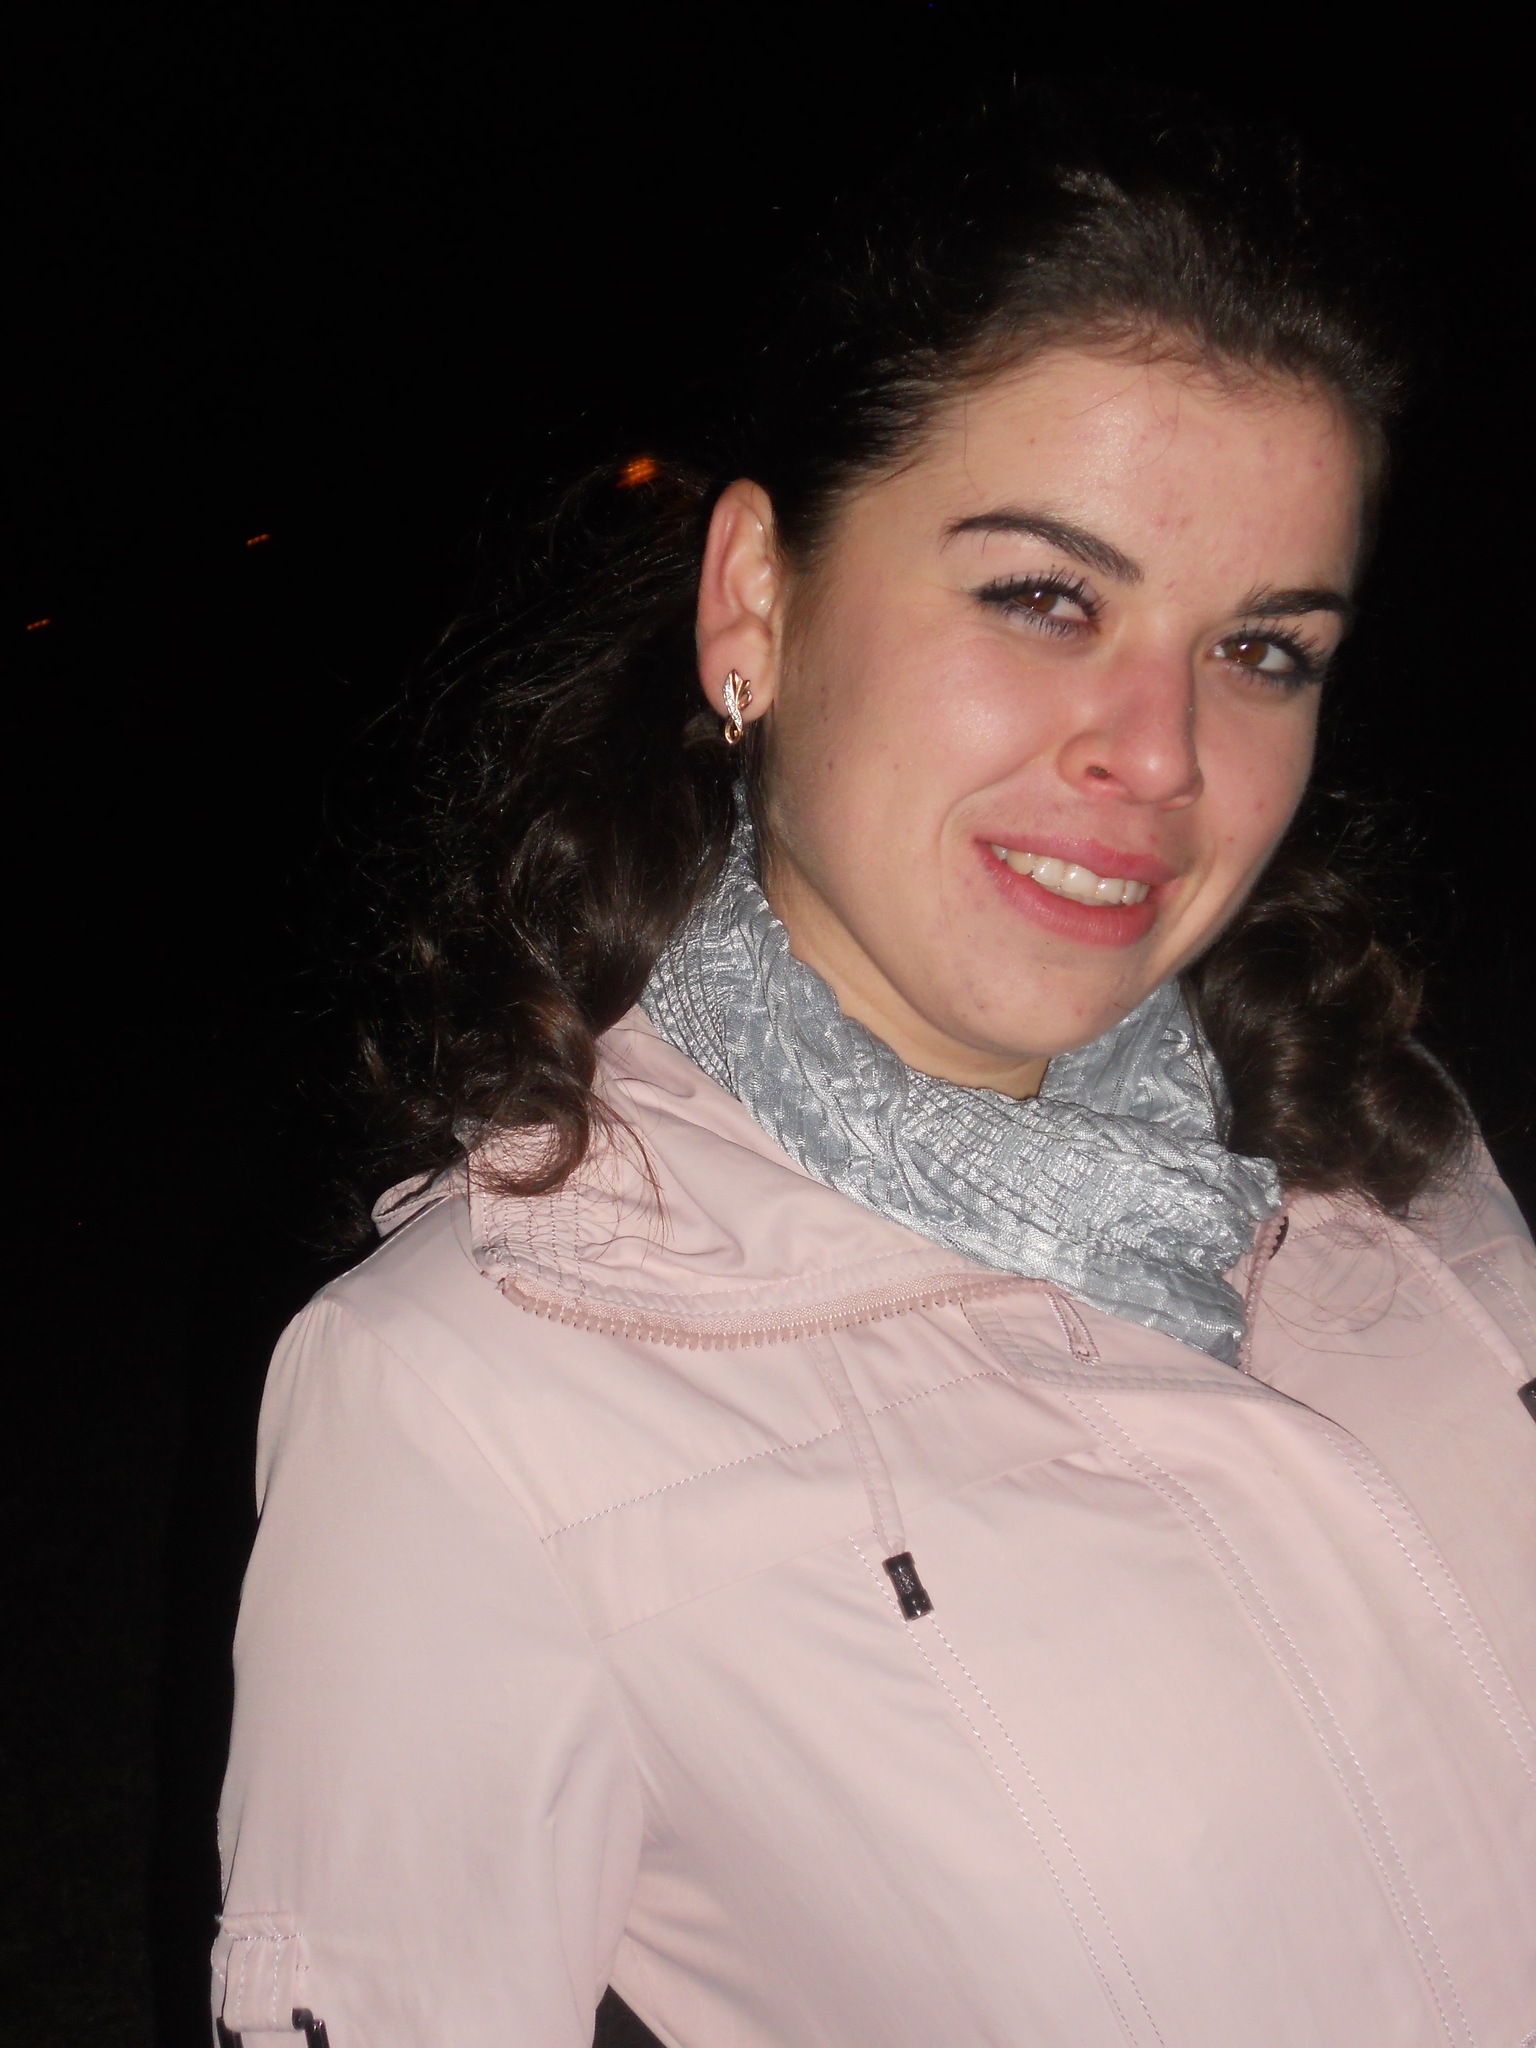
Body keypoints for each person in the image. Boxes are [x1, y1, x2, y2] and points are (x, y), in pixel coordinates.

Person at [210, 98, 1536, 2047]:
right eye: (1045, 597)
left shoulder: (1373, 1136)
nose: (1162, 753)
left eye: (1262, 650)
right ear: (755, 601)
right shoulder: (469, 1402)